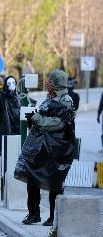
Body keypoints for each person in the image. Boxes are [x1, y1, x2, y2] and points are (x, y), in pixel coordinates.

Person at [15, 70, 75, 226]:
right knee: (32, 177)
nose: (47, 83)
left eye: (50, 80)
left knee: (54, 181)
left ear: (57, 83)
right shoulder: (49, 97)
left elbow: (59, 123)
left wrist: (38, 119)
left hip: (56, 147)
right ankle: (33, 213)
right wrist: (34, 117)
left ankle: (53, 217)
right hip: (41, 144)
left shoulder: (66, 99)